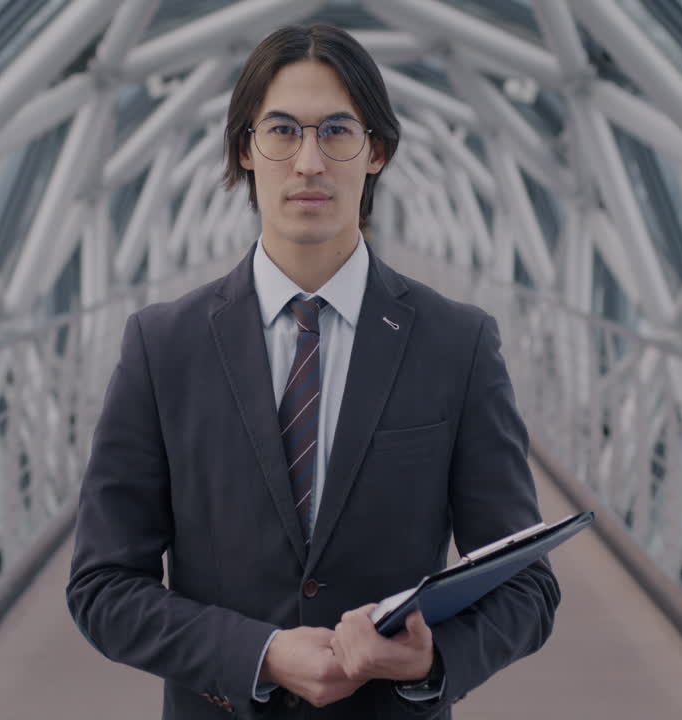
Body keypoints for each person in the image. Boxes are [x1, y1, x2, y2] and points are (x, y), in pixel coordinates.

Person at [66, 23, 560, 719]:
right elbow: (103, 585)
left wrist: (432, 657)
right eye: (282, 131)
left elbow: (528, 588)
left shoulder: (459, 345)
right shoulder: (162, 347)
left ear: (376, 152)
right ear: (246, 149)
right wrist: (258, 653)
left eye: (336, 132)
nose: (308, 162)